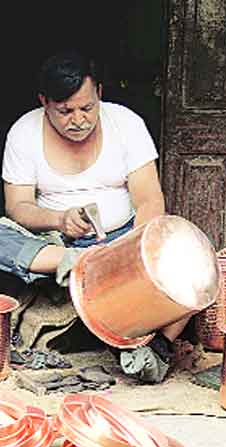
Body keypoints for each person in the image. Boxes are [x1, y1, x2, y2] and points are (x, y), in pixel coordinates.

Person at [0, 51, 187, 383]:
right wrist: (59, 219)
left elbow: (148, 198)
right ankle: (82, 263)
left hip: (123, 239)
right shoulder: (24, 133)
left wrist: (135, 252)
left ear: (99, 92)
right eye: (65, 111)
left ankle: (159, 346)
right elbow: (18, 207)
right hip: (55, 246)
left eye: (87, 108)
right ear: (44, 101)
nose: (78, 120)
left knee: (187, 256)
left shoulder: (126, 123)